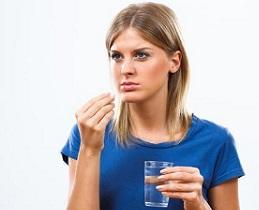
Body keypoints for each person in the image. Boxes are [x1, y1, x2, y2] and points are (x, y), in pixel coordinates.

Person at [61, 2, 245, 210]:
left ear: (174, 62)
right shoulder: (88, 133)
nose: (126, 69)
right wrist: (90, 150)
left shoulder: (215, 142)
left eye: (141, 55)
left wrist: (199, 205)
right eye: (117, 56)